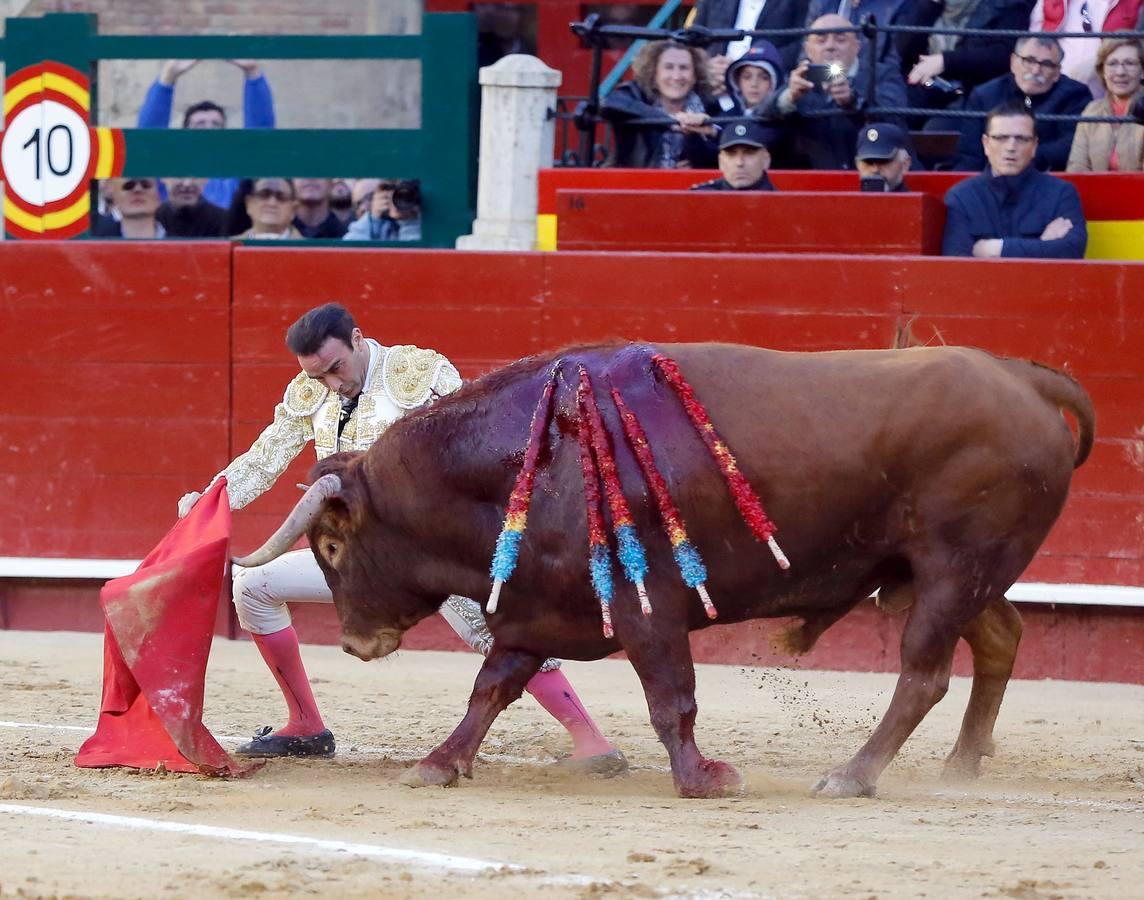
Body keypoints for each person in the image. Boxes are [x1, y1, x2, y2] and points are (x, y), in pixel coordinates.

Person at [177, 304, 625, 770]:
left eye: (336, 368)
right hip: (353, 556)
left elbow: (479, 450)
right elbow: (265, 458)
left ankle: (590, 739)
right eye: (318, 377)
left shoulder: (419, 375)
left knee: (493, 624)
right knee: (253, 586)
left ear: (357, 338)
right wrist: (211, 500)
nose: (331, 384)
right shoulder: (307, 394)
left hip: (429, 551)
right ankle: (306, 724)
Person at [759, 14, 908, 170]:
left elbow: (895, 119)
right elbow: (761, 119)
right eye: (821, 40)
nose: (830, 46)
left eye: (840, 39)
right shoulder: (800, 80)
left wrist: (852, 101)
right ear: (808, 50)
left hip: (880, 177)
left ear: (857, 47)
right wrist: (789, 97)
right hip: (821, 184)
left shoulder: (883, 74)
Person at [942, 103, 1087, 258]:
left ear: (1034, 146)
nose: (1011, 147)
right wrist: (1042, 245)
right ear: (986, 144)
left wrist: (998, 249)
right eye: (1001, 138)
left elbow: (1072, 250)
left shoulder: (1061, 193)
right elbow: (957, 262)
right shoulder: (962, 196)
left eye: (1021, 139)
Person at [137, 59, 276, 209]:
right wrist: (168, 77)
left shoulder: (234, 182)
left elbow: (260, 138)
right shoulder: (169, 180)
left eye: (216, 125)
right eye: (199, 125)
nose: (208, 129)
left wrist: (253, 73)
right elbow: (148, 142)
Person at [952, 36, 1092, 171]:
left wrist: (1021, 157)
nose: (1036, 70)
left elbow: (1070, 146)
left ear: (1057, 73)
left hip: (1050, 181)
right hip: (992, 181)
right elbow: (970, 155)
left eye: (1046, 64)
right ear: (1013, 62)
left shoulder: (1075, 95)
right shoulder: (984, 95)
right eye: (1029, 60)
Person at [900, 0, 1038, 120]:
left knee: (934, 129)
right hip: (921, 87)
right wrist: (930, 5)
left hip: (969, 94)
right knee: (892, 119)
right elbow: (902, 48)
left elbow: (1003, 55)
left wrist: (945, 61)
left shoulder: (1008, 5)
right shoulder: (922, 4)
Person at [601, 40, 721, 169]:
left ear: (695, 75)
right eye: (669, 67)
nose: (676, 76)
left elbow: (720, 158)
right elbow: (609, 103)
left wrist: (709, 133)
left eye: (684, 68)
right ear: (654, 73)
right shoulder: (636, 94)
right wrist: (668, 121)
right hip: (638, 183)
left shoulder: (709, 105)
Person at [1067, 36, 1144, 171]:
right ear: (1102, 71)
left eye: (1130, 63)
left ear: (1142, 71)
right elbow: (1077, 167)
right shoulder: (1091, 111)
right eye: (1112, 64)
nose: (1120, 72)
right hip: (1093, 192)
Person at [1029, 0, 1143, 90]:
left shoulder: (1136, 3)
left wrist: (1097, 62)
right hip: (1055, 86)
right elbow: (1033, 43)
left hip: (1107, 88)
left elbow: (1138, 47)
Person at [692, 0, 812, 82]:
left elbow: (805, 43)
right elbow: (693, 40)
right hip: (712, 89)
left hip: (767, 91)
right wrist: (707, 66)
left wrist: (743, 67)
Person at [691, 119, 780, 190]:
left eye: (749, 153)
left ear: (766, 160)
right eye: (731, 154)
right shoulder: (700, 198)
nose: (739, 163)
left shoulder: (782, 206)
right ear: (721, 162)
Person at [343, 179, 423, 242]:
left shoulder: (426, 222)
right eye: (358, 204)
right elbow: (348, 249)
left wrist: (410, 222)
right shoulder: (381, 225)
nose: (363, 207)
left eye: (370, 197)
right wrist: (373, 219)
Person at [91, 178, 166, 239]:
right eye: (128, 186)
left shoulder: (176, 237)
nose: (138, 189)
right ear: (115, 198)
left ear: (159, 196)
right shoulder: (99, 240)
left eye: (146, 185)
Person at [723, 43, 785, 116]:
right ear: (736, 81)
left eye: (764, 78)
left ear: (775, 81)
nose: (754, 84)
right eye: (747, 77)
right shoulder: (722, 122)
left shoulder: (788, 124)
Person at [156, 177, 228, 237]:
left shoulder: (224, 221)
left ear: (206, 179)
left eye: (195, 175)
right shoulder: (154, 219)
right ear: (163, 177)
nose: (187, 184)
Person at [237, 177, 303, 240]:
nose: (272, 203)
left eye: (281, 197)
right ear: (249, 204)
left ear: (294, 209)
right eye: (264, 195)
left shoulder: (309, 249)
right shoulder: (229, 248)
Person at [855, 123, 913, 191]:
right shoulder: (847, 200)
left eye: (883, 161)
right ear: (857, 164)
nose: (875, 169)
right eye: (868, 162)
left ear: (905, 164)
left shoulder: (916, 201)